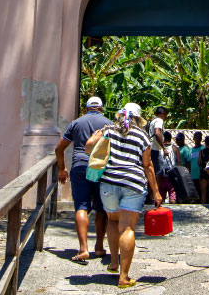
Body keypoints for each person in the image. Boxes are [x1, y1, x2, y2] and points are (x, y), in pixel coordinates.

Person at [84, 102, 162, 289]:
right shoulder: (143, 135)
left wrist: (96, 136)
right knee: (127, 228)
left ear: (120, 115)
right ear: (138, 118)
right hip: (133, 184)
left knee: (112, 221)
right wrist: (156, 192)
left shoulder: (108, 130)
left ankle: (113, 263)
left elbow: (88, 148)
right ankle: (124, 277)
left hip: (109, 183)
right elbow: (148, 165)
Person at [54, 96, 112, 263]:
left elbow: (59, 148)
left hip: (80, 166)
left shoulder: (76, 123)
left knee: (81, 206)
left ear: (86, 108)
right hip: (101, 168)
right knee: (101, 208)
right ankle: (100, 247)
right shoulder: (109, 124)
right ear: (101, 108)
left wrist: (62, 169)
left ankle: (83, 248)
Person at [147, 106, 168, 198]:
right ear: (163, 113)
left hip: (150, 149)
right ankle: (154, 195)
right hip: (155, 149)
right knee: (159, 173)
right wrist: (164, 148)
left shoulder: (153, 121)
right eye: (166, 115)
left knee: (152, 172)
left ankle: (150, 195)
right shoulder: (159, 121)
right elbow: (157, 133)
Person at [160, 131, 180, 203]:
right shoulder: (174, 148)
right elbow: (179, 162)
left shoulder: (160, 148)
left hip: (162, 174)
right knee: (172, 194)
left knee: (161, 195)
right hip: (172, 174)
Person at [188, 131, 205, 196]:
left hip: (201, 175)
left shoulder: (203, 149)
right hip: (193, 175)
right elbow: (189, 162)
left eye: (199, 137)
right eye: (196, 137)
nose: (198, 139)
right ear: (194, 138)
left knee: (201, 193)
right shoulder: (190, 150)